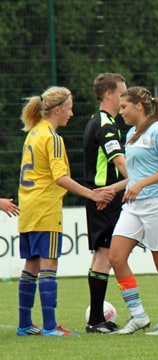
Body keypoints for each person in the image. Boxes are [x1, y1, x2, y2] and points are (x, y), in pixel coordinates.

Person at [17, 86, 115, 337]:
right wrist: (92, 194)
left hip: (28, 207)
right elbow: (60, 177)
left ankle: (25, 324)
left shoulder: (33, 132)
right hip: (46, 208)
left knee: (31, 264)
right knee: (49, 264)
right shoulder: (52, 137)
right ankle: (50, 326)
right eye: (69, 108)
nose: (71, 113)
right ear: (57, 110)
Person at [107, 86, 158, 335]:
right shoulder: (131, 134)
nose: (120, 112)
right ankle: (138, 315)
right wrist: (114, 188)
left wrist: (141, 184)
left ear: (139, 106)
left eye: (124, 107)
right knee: (115, 257)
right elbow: (136, 175)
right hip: (134, 206)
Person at [82, 73, 128, 334]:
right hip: (105, 197)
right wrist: (137, 179)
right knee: (104, 256)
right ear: (109, 94)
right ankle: (96, 320)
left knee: (104, 255)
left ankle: (97, 317)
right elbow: (119, 161)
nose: (125, 98)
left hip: (102, 195)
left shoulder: (96, 121)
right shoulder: (106, 125)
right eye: (122, 93)